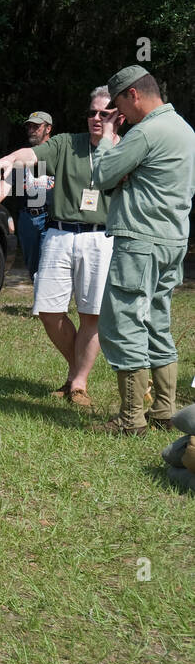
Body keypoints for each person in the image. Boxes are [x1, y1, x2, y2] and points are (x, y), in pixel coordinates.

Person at [0, 89, 118, 407]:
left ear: (119, 115)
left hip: (100, 237)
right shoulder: (66, 143)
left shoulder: (126, 149)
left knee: (92, 313)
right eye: (91, 113)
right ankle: (76, 369)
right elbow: (30, 156)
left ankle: (78, 383)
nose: (96, 119)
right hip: (59, 233)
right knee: (48, 311)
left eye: (104, 114)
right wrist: (8, 159)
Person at [91, 65, 195, 434]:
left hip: (140, 241)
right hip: (172, 240)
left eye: (119, 107)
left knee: (124, 323)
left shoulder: (147, 132)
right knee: (156, 321)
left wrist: (108, 136)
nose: (119, 116)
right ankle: (165, 411)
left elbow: (102, 176)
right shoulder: (184, 129)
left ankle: (130, 419)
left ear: (133, 95)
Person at [0, 112, 55, 280]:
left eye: (36, 126)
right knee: (33, 266)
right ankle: (39, 302)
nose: (31, 130)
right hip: (28, 218)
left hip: (52, 217)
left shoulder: (58, 153)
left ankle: (46, 304)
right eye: (29, 126)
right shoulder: (22, 156)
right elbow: (8, 181)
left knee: (49, 265)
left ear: (48, 128)